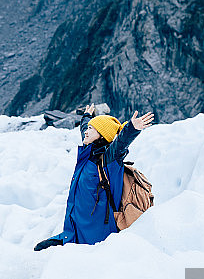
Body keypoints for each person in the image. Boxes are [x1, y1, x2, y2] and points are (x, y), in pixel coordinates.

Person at [34, 104, 154, 251]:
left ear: (102, 135)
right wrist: (87, 117)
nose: (86, 132)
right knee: (40, 249)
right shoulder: (88, 154)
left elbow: (120, 144)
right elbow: (84, 130)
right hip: (74, 233)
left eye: (91, 129)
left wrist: (132, 129)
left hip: (97, 241)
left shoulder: (109, 161)